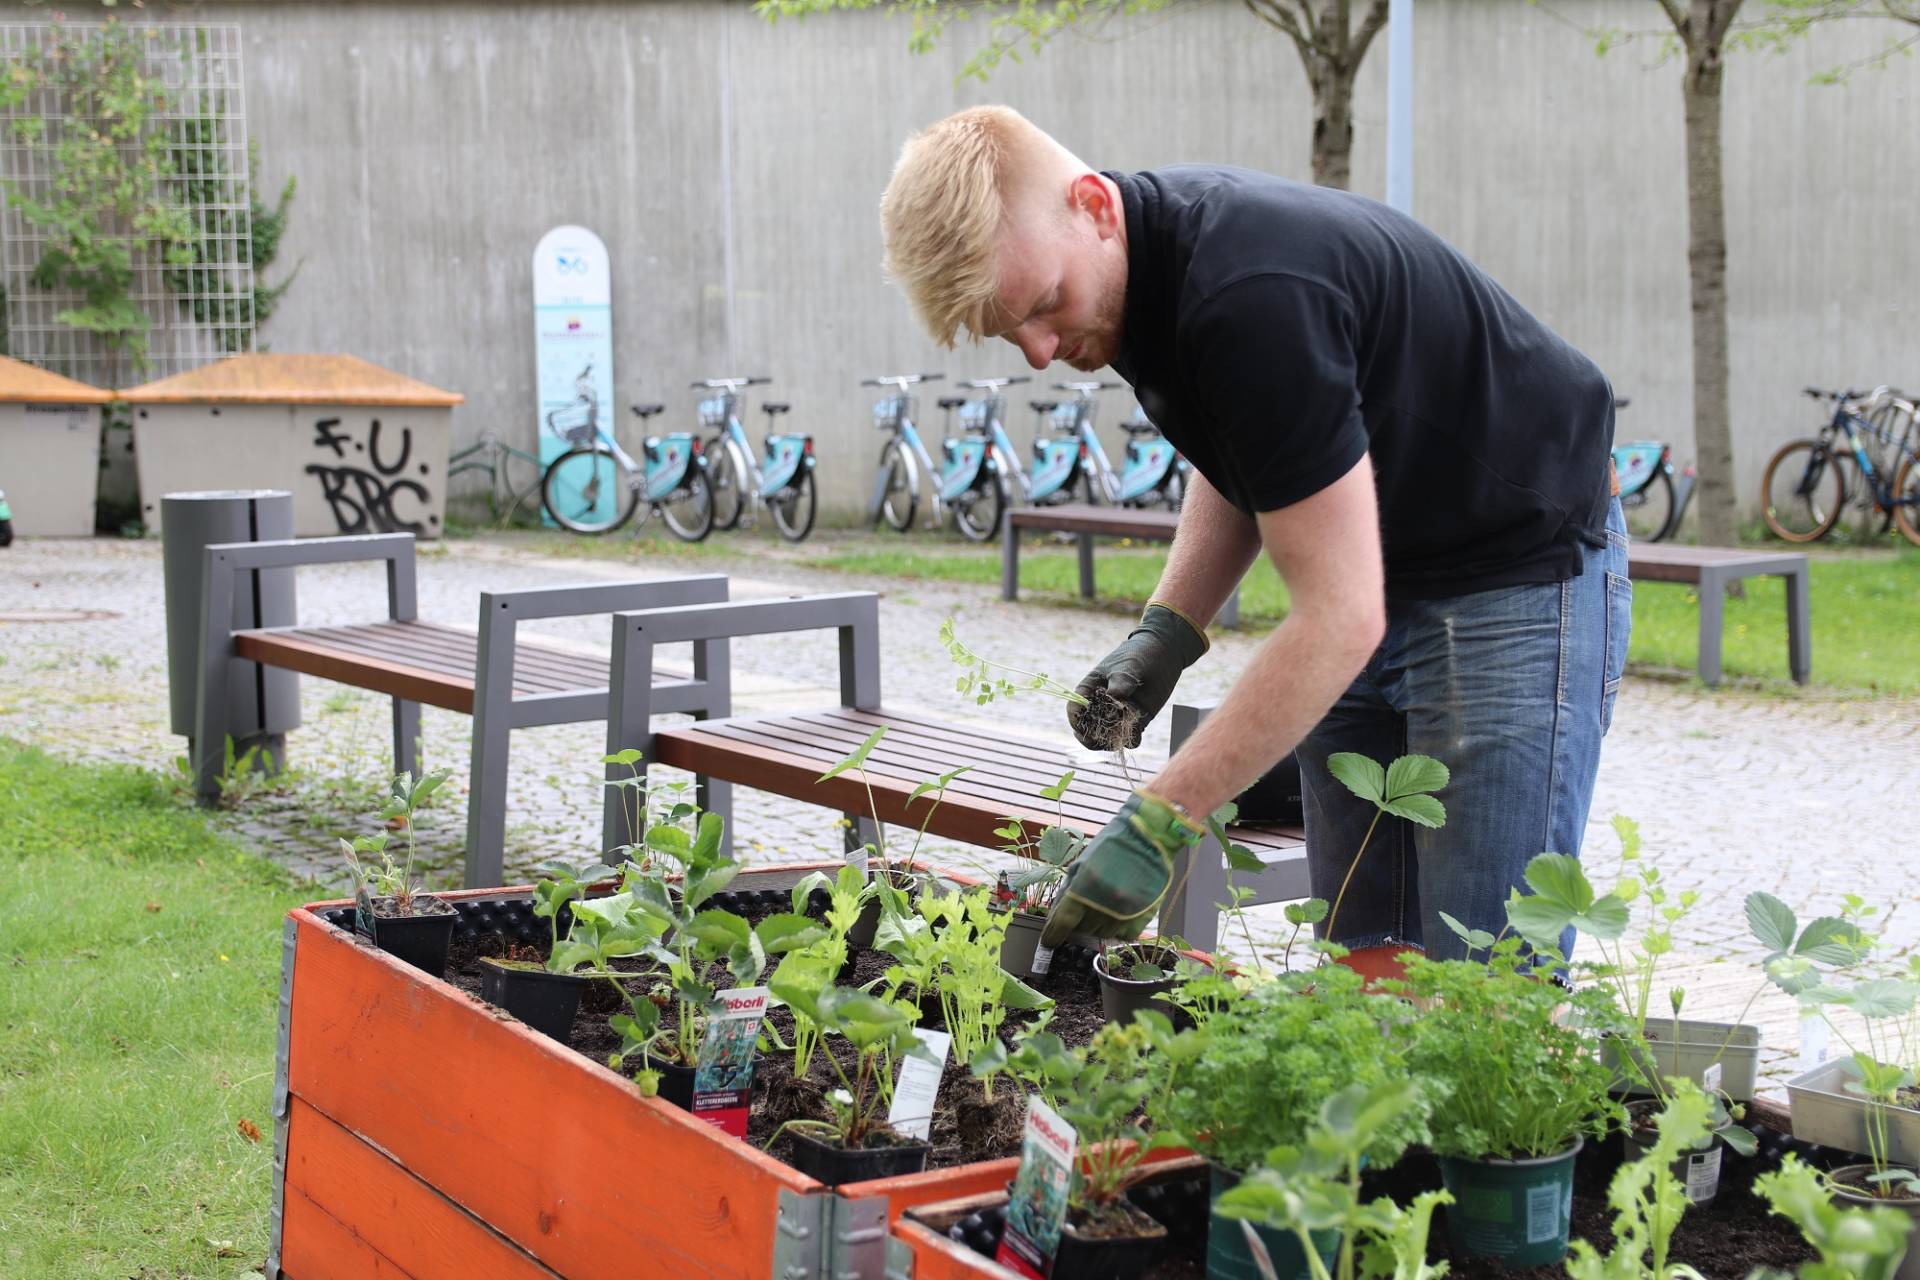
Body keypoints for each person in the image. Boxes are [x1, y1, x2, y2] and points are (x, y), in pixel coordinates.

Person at [878, 105, 1628, 966]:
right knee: (1365, 951)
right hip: (1385, 566)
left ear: (1092, 206)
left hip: (1517, 571)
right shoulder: (1135, 279)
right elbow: (1251, 447)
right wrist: (1169, 629)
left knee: (1489, 974)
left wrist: (1161, 819)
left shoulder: (1249, 293)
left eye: (1045, 306)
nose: (1041, 350)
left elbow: (1339, 618)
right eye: (1007, 332)